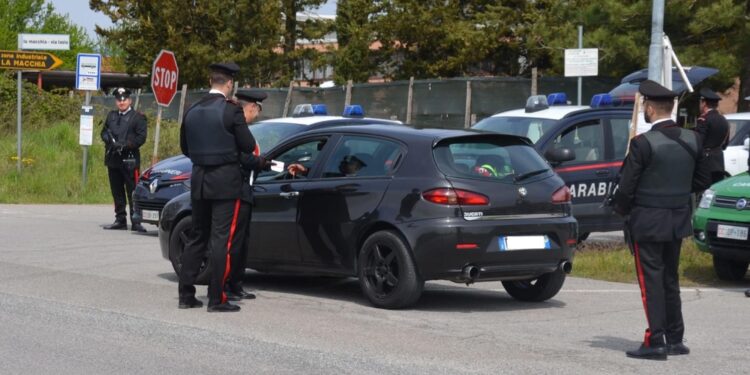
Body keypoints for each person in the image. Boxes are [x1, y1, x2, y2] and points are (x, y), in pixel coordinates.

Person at [613, 80, 711, 360]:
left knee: (651, 282)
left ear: (652, 108)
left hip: (647, 221)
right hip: (678, 219)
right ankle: (675, 338)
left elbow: (626, 188)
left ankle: (655, 340)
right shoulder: (693, 139)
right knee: (670, 279)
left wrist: (621, 210)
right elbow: (703, 180)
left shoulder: (643, 144)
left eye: (645, 105)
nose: (644, 109)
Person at [178, 62, 262, 312]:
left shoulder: (192, 109)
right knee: (221, 241)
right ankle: (217, 298)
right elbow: (247, 145)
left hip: (199, 179)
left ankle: (186, 294)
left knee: (197, 237)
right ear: (229, 84)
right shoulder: (231, 110)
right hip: (226, 182)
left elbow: (185, 147)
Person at [225, 89, 269, 301]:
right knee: (233, 242)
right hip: (237, 191)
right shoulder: (236, 129)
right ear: (251, 107)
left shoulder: (245, 129)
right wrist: (263, 163)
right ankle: (226, 285)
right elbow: (243, 157)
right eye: (257, 110)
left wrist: (273, 165)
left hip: (246, 191)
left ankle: (236, 284)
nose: (257, 115)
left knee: (242, 243)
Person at [100, 87, 148, 233]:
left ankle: (136, 221)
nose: (121, 102)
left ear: (130, 100)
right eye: (119, 100)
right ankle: (120, 219)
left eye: (124, 100)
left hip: (129, 161)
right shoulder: (111, 116)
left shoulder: (138, 117)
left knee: (133, 191)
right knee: (117, 191)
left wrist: (125, 145)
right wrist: (108, 140)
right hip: (113, 159)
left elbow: (141, 138)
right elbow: (104, 132)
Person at [695, 87, 730, 183]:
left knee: (703, 194)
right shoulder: (724, 120)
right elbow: (725, 144)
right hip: (719, 161)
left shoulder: (704, 120)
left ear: (704, 103)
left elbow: (698, 142)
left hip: (705, 163)